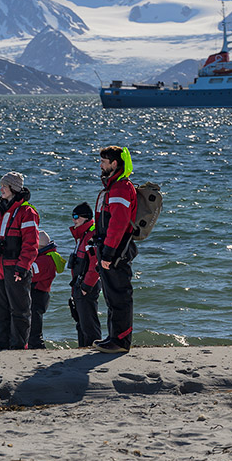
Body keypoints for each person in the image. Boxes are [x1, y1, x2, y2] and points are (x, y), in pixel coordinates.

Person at [0, 172, 39, 350]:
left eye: (4, 187)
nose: (1, 189)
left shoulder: (27, 212)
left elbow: (31, 245)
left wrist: (22, 268)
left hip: (15, 268)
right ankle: (1, 345)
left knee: (20, 311)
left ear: (13, 189)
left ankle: (18, 347)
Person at [93, 146, 138, 353]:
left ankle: (120, 342)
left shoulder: (121, 188)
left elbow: (118, 223)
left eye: (104, 161)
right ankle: (113, 337)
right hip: (109, 248)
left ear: (114, 163)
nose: (100, 165)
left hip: (117, 250)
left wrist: (109, 252)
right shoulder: (112, 187)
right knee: (111, 295)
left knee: (119, 294)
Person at [68, 202, 101, 347]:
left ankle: (92, 348)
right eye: (73, 216)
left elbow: (95, 265)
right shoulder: (82, 235)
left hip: (87, 285)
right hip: (79, 283)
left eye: (76, 216)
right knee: (81, 321)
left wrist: (86, 287)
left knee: (88, 322)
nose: (74, 219)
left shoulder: (91, 236)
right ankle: (83, 348)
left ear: (86, 218)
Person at [28, 230, 64, 349]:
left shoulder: (45, 260)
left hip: (39, 293)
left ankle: (37, 345)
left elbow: (32, 272)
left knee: (34, 322)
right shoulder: (47, 257)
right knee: (33, 320)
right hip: (41, 293)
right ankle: (33, 344)